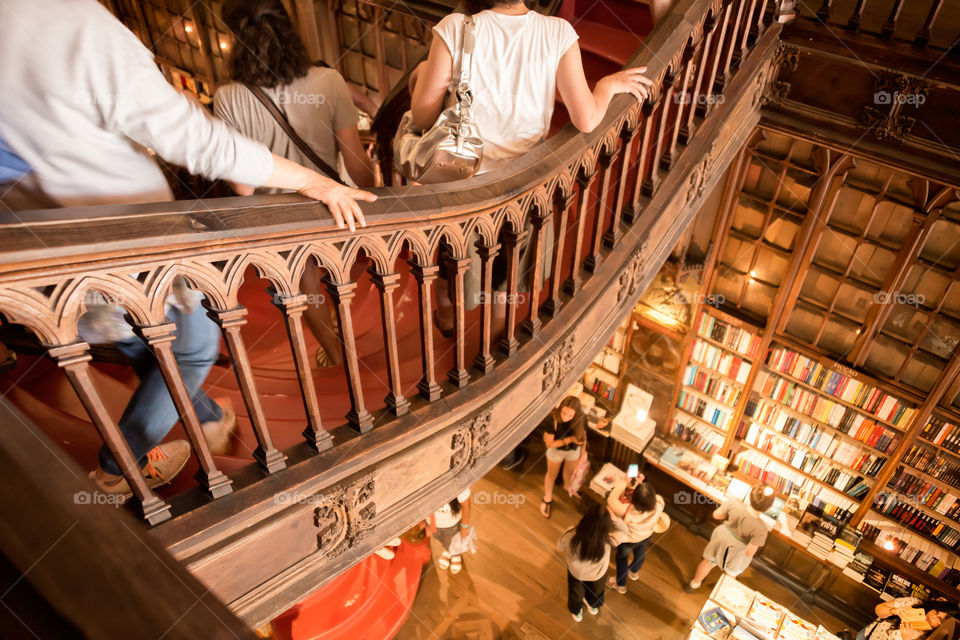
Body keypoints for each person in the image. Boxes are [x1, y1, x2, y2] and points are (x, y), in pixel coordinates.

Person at [0, 0, 375, 494]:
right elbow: (193, 138)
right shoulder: (66, 18)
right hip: (138, 248)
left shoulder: (229, 94)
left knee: (146, 341)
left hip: (50, 255)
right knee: (193, 347)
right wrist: (331, 188)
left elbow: (239, 185)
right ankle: (117, 469)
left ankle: (218, 409)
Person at [408, 0, 654, 333]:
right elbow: (586, 119)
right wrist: (606, 87)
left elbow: (422, 117)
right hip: (522, 191)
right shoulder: (558, 33)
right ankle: (492, 347)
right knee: (503, 287)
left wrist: (422, 74)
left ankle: (449, 321)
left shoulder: (455, 28)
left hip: (460, 189)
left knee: (449, 267)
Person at [214, 0, 378, 367]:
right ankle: (350, 341)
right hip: (335, 208)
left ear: (236, 38)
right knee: (341, 279)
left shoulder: (227, 97)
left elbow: (243, 188)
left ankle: (337, 355)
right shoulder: (329, 81)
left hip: (281, 219)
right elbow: (359, 169)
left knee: (307, 290)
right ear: (289, 29)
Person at [685, 484, 775, 592]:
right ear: (769, 507)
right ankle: (720, 596)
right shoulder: (761, 529)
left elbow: (716, 515)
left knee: (708, 562)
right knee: (731, 575)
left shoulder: (734, 503)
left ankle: (694, 584)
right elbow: (749, 552)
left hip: (721, 539)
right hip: (737, 552)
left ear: (750, 496)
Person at [557, 502, 627, 622]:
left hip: (576, 573)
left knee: (575, 593)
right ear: (606, 527)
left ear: (585, 520)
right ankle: (592, 605)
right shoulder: (609, 541)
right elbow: (624, 532)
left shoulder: (571, 536)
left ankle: (576, 611)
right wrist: (615, 519)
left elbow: (559, 547)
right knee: (596, 592)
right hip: (598, 575)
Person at [605, 476, 665, 593]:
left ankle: (620, 584)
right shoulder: (659, 503)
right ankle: (634, 572)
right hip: (646, 535)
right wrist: (640, 487)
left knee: (622, 559)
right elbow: (648, 499)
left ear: (633, 499)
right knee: (640, 552)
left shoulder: (627, 511)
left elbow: (611, 499)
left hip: (629, 540)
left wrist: (625, 481)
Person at [539, 396, 587, 518]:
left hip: (573, 450)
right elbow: (549, 444)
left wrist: (583, 452)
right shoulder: (552, 419)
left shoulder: (582, 418)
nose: (565, 417)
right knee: (551, 475)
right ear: (560, 408)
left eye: (570, 416)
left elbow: (583, 436)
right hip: (556, 451)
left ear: (576, 414)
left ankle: (568, 488)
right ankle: (547, 498)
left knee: (570, 474)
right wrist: (569, 439)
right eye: (564, 413)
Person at [844, 598, 960, 640]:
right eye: (936, 611)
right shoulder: (914, 603)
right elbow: (878, 609)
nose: (932, 616)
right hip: (868, 635)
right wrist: (892, 611)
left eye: (939, 619)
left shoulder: (934, 637)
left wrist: (907, 639)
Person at [426, 488, 473, 574]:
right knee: (440, 538)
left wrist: (464, 526)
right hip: (431, 522)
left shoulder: (457, 485)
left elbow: (466, 504)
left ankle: (455, 554)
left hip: (452, 524)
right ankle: (448, 550)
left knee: (453, 541)